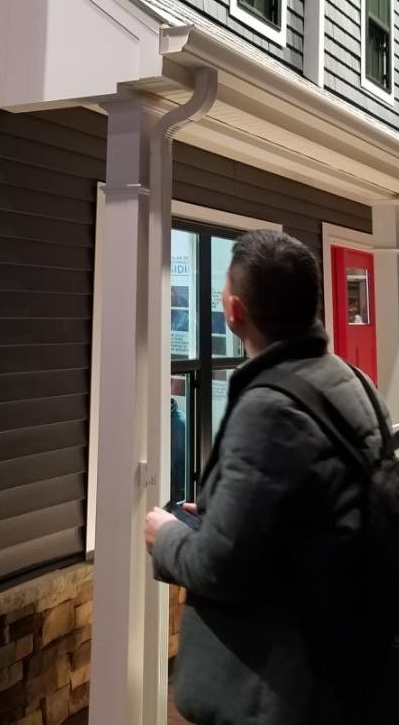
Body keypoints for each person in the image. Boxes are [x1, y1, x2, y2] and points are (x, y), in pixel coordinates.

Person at [143, 230, 383, 725]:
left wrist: (164, 537)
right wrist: (221, 514)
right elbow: (308, 512)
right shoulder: (352, 380)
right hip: (349, 658)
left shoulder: (268, 409)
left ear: (234, 311)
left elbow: (221, 567)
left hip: (283, 687)